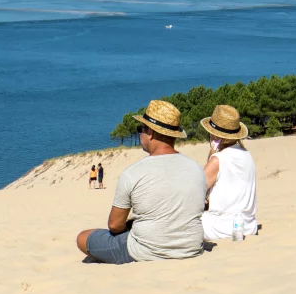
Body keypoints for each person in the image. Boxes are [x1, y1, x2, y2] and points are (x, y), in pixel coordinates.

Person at [76, 99, 206, 264]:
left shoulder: (133, 173)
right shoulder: (196, 168)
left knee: (83, 238)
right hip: (191, 247)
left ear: (151, 133)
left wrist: (130, 226)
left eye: (141, 129)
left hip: (146, 250)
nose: (139, 134)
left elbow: (115, 225)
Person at [199, 105, 258, 241]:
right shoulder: (247, 155)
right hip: (248, 225)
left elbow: (197, 190)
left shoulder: (218, 159)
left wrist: (212, 152)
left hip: (222, 228)